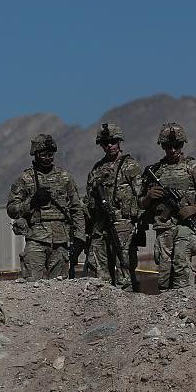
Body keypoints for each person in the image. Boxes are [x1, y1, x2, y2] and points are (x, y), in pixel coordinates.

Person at [138, 122, 196, 290]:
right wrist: (149, 197)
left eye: (177, 145)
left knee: (181, 262)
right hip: (164, 228)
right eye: (168, 146)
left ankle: (184, 302)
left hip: (186, 226)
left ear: (182, 145)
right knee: (164, 271)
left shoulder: (193, 168)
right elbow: (138, 203)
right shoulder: (155, 171)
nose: (172, 150)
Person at [7, 134, 86, 281]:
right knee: (31, 285)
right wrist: (31, 203)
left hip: (60, 243)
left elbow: (76, 209)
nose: (47, 158)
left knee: (60, 288)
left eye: (51, 154)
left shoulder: (64, 178)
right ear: (35, 154)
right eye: (43, 154)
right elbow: (12, 209)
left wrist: (80, 237)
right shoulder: (25, 179)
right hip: (35, 239)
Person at [84, 123, 143, 290]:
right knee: (100, 275)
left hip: (122, 225)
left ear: (119, 142)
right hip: (99, 226)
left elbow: (141, 196)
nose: (109, 145)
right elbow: (88, 199)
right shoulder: (97, 169)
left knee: (124, 271)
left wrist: (139, 221)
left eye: (113, 141)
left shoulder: (129, 166)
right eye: (105, 143)